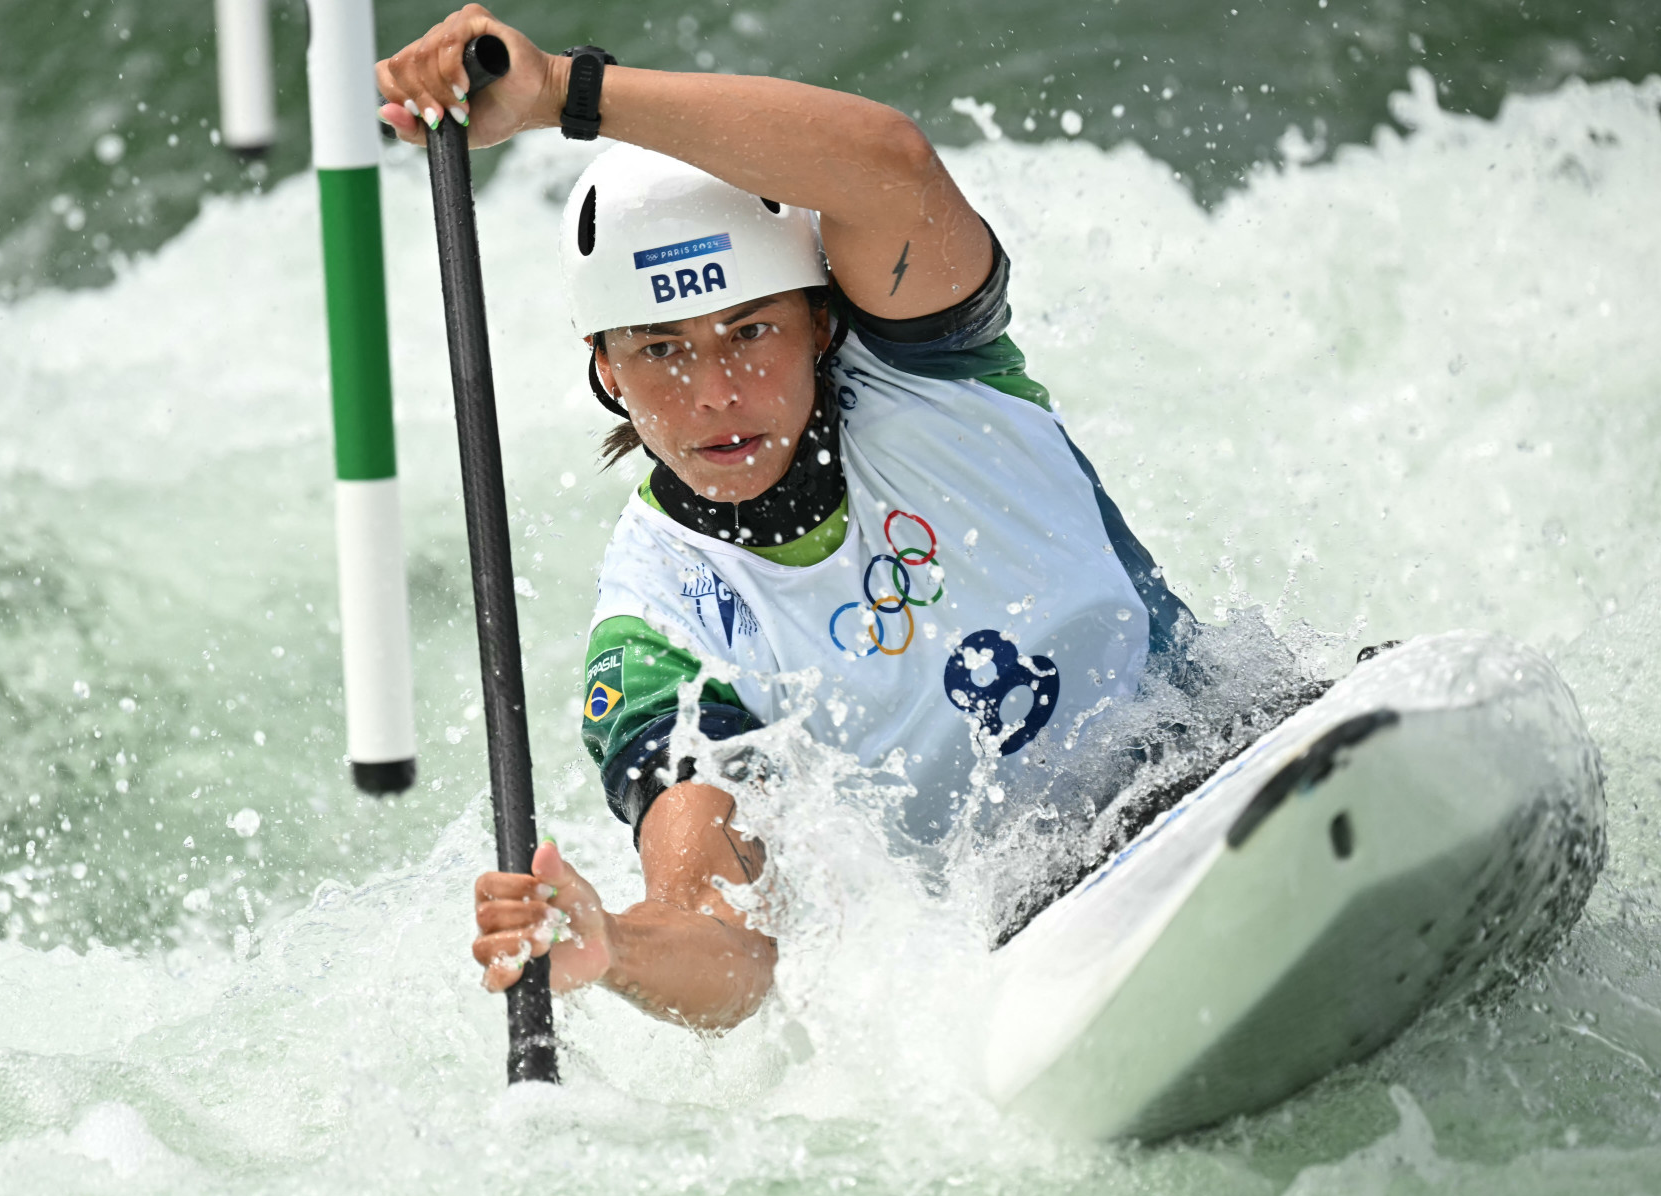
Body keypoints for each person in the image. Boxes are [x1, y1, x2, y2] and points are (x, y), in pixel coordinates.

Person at [375, 5, 1190, 1031]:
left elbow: (889, 164)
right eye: (661, 350)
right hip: (1031, 949)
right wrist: (614, 943)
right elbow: (734, 943)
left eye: (749, 329)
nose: (714, 392)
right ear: (604, 372)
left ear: (822, 318)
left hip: (1213, 756)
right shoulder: (658, 631)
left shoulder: (930, 368)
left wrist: (568, 96)